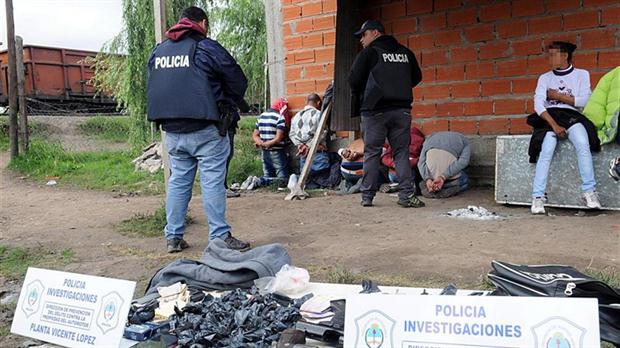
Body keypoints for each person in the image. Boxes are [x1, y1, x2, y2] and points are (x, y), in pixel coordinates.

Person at [146, 6, 250, 253]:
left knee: (179, 180)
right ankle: (219, 236)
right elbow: (237, 79)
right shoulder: (205, 47)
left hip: (172, 130)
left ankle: (173, 236)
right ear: (202, 22)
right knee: (212, 180)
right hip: (206, 128)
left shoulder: (159, 51)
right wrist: (229, 102)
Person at [348, 20, 424, 208]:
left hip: (374, 112)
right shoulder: (405, 53)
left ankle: (367, 197)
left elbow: (353, 80)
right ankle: (406, 195)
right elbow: (417, 77)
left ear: (375, 33)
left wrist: (369, 93)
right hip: (401, 111)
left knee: (372, 152)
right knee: (401, 152)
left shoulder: (369, 54)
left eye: (363, 35)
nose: (361, 40)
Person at [527, 41, 601, 214]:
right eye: (549, 55)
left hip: (572, 116)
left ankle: (589, 192)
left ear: (565, 55)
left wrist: (556, 95)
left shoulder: (582, 74)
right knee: (546, 148)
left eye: (553, 55)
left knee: (583, 143)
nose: (549, 59)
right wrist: (554, 125)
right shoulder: (544, 78)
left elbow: (584, 100)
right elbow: (538, 105)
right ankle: (537, 197)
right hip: (549, 118)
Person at [242, 99, 289, 190]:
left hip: (264, 152)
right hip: (277, 151)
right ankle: (260, 180)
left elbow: (255, 135)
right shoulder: (279, 117)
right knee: (284, 179)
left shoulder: (261, 116)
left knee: (268, 174)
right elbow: (278, 138)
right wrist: (268, 144)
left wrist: (261, 143)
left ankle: (256, 180)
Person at [417, 131, 470, 198]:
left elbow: (420, 162)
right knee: (465, 179)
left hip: (431, 176)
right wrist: (443, 177)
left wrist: (427, 179)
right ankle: (443, 188)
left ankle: (430, 186)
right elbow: (463, 162)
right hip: (446, 178)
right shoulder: (465, 140)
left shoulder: (429, 139)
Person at [289, 93, 330, 176]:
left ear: (306, 102)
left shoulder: (296, 116)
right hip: (318, 154)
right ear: (318, 103)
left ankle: (294, 179)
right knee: (322, 180)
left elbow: (292, 134)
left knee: (306, 181)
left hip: (303, 154)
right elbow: (323, 133)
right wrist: (309, 145)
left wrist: (300, 145)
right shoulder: (319, 115)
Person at [381, 125, 425, 192]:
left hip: (393, 173)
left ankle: (396, 185)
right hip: (408, 173)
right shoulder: (421, 141)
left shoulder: (396, 139)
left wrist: (394, 164)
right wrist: (409, 163)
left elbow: (385, 157)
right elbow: (422, 159)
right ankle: (405, 186)